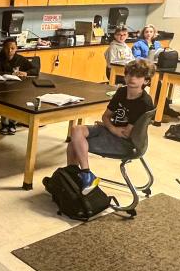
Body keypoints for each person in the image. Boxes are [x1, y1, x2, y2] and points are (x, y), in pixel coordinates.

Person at [67, 59, 156, 193]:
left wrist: (109, 126)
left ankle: (76, 178)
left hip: (126, 143)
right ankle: (85, 174)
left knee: (74, 144)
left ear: (146, 81)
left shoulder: (144, 102)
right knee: (75, 130)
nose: (132, 78)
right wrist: (111, 127)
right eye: (130, 74)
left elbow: (125, 133)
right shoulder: (121, 92)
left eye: (138, 76)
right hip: (111, 131)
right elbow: (105, 116)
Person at [0, 37, 33, 135]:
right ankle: (4, 124)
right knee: (5, 102)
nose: (10, 51)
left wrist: (26, 72)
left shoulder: (21, 59)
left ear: (16, 48)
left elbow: (35, 69)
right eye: (7, 48)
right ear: (3, 49)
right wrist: (10, 73)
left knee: (17, 101)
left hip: (17, 87)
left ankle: (13, 123)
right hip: (1, 87)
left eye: (12, 48)